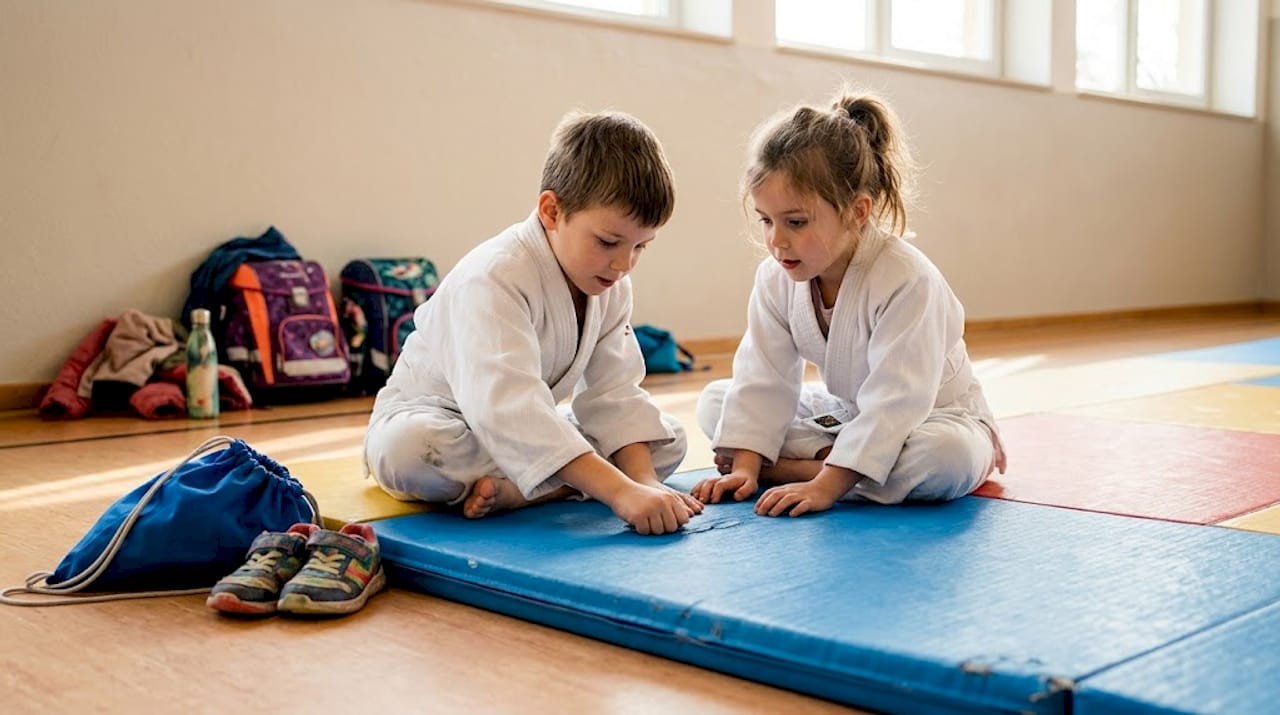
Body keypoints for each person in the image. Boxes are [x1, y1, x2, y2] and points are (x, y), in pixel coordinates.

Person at [364, 110, 701, 535]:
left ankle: (530, 488)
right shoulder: (494, 275)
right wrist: (620, 492)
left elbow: (614, 394)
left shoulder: (609, 282)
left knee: (667, 438)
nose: (624, 263)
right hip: (440, 418)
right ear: (551, 210)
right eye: (608, 241)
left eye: (641, 247)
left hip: (525, 431)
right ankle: (557, 480)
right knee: (410, 453)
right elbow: (507, 403)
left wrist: (646, 482)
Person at [694, 89, 1006, 517]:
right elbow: (762, 376)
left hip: (933, 417)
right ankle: (816, 466)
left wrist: (826, 486)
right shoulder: (776, 278)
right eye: (766, 220)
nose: (776, 240)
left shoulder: (906, 278)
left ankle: (796, 470)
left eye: (796, 222)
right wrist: (745, 467)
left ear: (858, 211)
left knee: (945, 459)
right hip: (848, 415)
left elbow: (897, 401)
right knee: (716, 401)